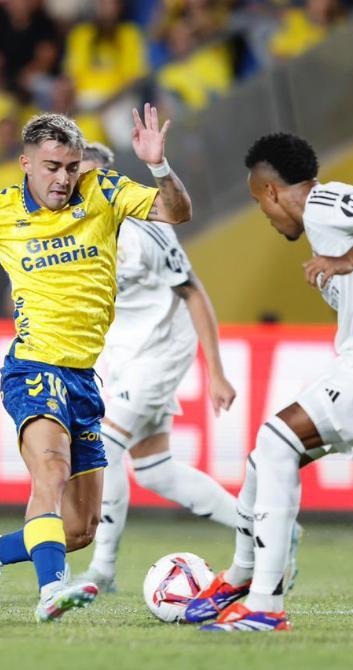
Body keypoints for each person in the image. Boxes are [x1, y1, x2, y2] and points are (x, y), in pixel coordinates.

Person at [0, 105, 193, 622]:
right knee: (51, 471)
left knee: (80, 528)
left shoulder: (105, 192)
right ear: (26, 163)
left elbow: (176, 212)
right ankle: (52, 592)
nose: (63, 178)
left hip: (83, 377)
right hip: (32, 367)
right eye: (52, 167)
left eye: (71, 166)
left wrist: (158, 165)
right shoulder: (1, 211)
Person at [188, 133, 353, 632]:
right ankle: (240, 578)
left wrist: (347, 260)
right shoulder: (326, 225)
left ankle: (265, 605)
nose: (265, 216)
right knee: (265, 459)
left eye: (258, 203)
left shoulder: (323, 203)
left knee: (275, 442)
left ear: (270, 191)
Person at [71, 142, 297, 593]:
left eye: (94, 176)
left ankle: (103, 569)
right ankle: (270, 530)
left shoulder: (143, 228)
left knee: (103, 446)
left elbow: (193, 292)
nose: (84, 185)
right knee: (155, 469)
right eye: (78, 176)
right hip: (124, 354)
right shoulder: (72, 229)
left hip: (162, 349)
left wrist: (216, 372)